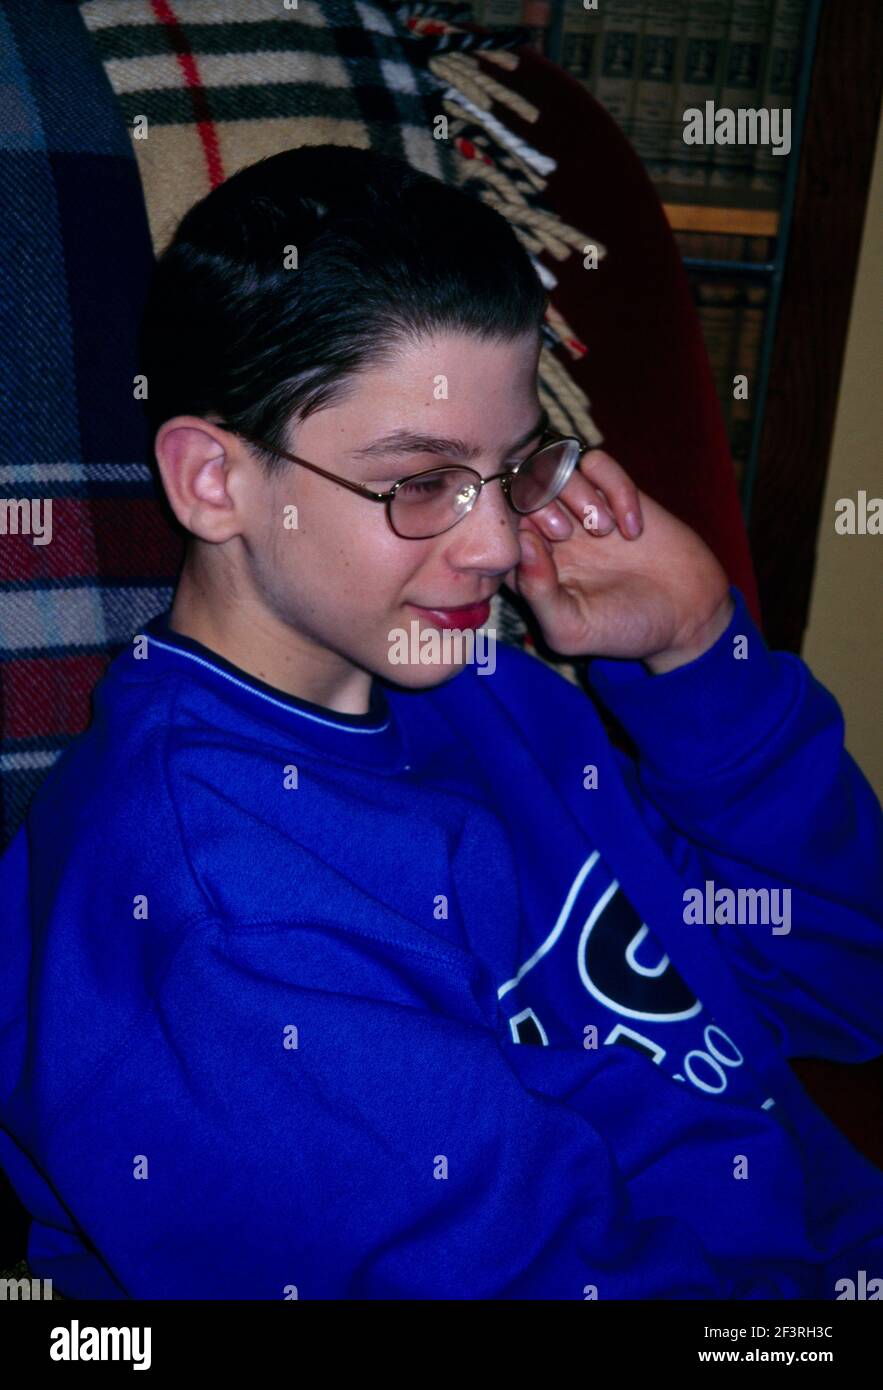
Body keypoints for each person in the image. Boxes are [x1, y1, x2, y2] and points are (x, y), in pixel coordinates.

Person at [0, 146, 881, 1301]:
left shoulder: (483, 696)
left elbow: (842, 984)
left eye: (515, 470)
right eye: (421, 481)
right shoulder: (211, 912)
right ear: (215, 481)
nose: (502, 547)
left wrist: (696, 654)